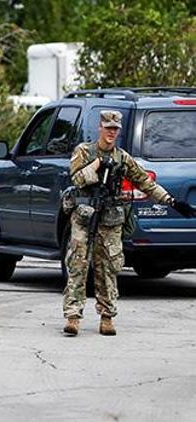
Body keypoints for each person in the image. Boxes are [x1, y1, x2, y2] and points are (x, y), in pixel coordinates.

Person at [62, 110, 195, 336]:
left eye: (115, 129)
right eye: (108, 128)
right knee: (77, 263)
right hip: (84, 217)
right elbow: (76, 178)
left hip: (110, 219)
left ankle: (107, 316)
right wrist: (96, 165)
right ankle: (73, 316)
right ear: (100, 128)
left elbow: (145, 182)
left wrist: (171, 201)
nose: (111, 132)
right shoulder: (84, 152)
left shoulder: (122, 158)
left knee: (109, 268)